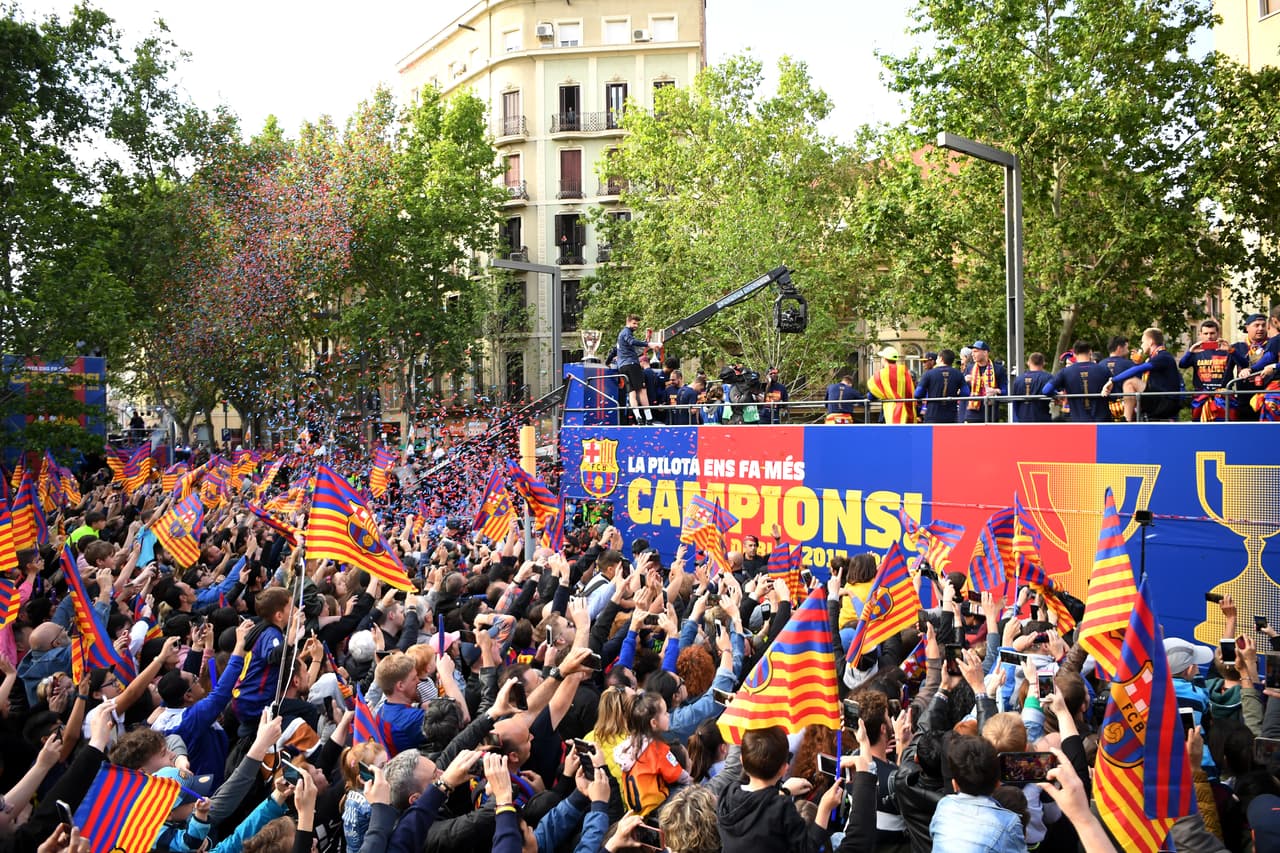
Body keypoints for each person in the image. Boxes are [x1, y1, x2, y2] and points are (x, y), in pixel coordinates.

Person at [1100, 327, 1184, 422]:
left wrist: (1113, 380)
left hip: (1167, 402)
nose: (1141, 345)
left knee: (1130, 383)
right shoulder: (1155, 358)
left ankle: (1126, 421)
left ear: (1150, 341)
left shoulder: (1163, 356)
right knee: (1130, 387)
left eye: (1143, 342)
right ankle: (1128, 419)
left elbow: (1138, 369)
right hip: (1159, 399)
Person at [1179, 319, 1248, 422]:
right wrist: (1190, 351)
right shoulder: (1197, 351)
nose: (1209, 336)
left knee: (1225, 429)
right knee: (1200, 430)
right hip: (1201, 397)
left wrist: (1231, 350)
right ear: (1200, 334)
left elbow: (1244, 364)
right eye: (1205, 333)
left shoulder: (1228, 350)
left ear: (1218, 334)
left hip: (1224, 397)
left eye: (1212, 333)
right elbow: (1182, 365)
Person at [1044, 341, 1110, 422]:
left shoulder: (1065, 372)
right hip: (1102, 421)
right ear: (1090, 352)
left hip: (1078, 421)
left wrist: (1056, 395)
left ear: (1074, 354)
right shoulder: (1103, 369)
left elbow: (1046, 390)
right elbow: (1115, 393)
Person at [616, 314, 655, 425]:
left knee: (631, 392)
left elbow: (615, 350)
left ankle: (638, 417)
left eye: (637, 323)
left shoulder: (620, 336)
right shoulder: (626, 332)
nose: (636, 326)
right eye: (634, 323)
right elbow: (632, 341)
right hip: (632, 364)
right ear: (627, 322)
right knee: (642, 391)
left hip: (622, 367)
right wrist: (649, 344)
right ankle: (649, 417)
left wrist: (608, 362)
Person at [866, 346, 918, 424]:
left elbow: (872, 394)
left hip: (889, 411)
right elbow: (910, 391)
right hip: (906, 410)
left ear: (884, 359)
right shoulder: (905, 372)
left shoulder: (881, 374)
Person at [915, 349, 966, 424]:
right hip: (951, 415)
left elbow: (918, 394)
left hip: (932, 415)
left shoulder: (928, 374)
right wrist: (955, 395)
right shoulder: (958, 374)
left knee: (931, 436)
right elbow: (966, 393)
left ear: (941, 359)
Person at [964, 341, 1007, 424]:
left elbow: (1006, 391)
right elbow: (962, 391)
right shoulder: (969, 368)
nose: (973, 354)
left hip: (991, 413)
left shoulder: (998, 369)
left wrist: (995, 391)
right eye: (972, 352)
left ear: (985, 352)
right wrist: (964, 381)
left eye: (975, 351)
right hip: (972, 413)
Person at [1098, 336, 1135, 422]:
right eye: (1127, 348)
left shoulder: (1100, 365)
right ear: (1119, 348)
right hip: (1125, 409)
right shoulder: (1130, 365)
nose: (1128, 351)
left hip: (1105, 408)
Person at [1011, 353, 1052, 423]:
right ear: (1043, 363)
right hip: (1042, 419)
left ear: (1028, 363)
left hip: (1022, 419)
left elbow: (1015, 402)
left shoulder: (1018, 380)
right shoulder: (1048, 378)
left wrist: (1015, 420)